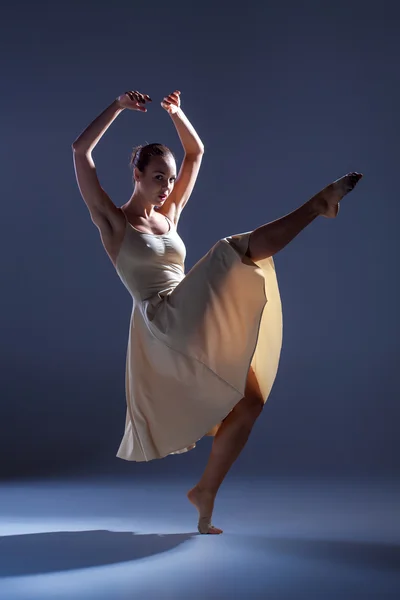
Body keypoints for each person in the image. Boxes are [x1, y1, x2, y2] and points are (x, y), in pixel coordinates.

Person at [72, 89, 363, 534]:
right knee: (232, 250)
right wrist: (116, 107)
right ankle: (316, 206)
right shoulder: (113, 222)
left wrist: (177, 113)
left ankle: (205, 492)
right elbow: (80, 152)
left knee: (251, 402)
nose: (167, 187)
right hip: (163, 320)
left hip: (189, 307)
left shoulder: (168, 214)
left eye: (169, 180)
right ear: (136, 174)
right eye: (157, 178)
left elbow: (195, 153)